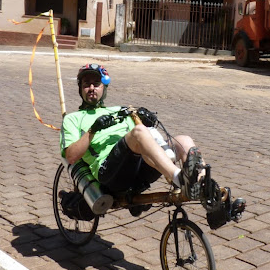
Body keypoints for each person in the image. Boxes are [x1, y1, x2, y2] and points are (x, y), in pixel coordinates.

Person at [60, 63, 204, 216]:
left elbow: (145, 138)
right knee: (138, 133)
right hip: (110, 174)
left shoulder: (119, 110)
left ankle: (204, 186)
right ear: (80, 89)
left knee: (183, 140)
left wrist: (147, 119)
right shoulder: (73, 119)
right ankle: (178, 178)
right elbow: (71, 156)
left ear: (104, 88)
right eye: (86, 84)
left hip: (139, 169)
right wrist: (92, 130)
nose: (91, 88)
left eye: (96, 84)